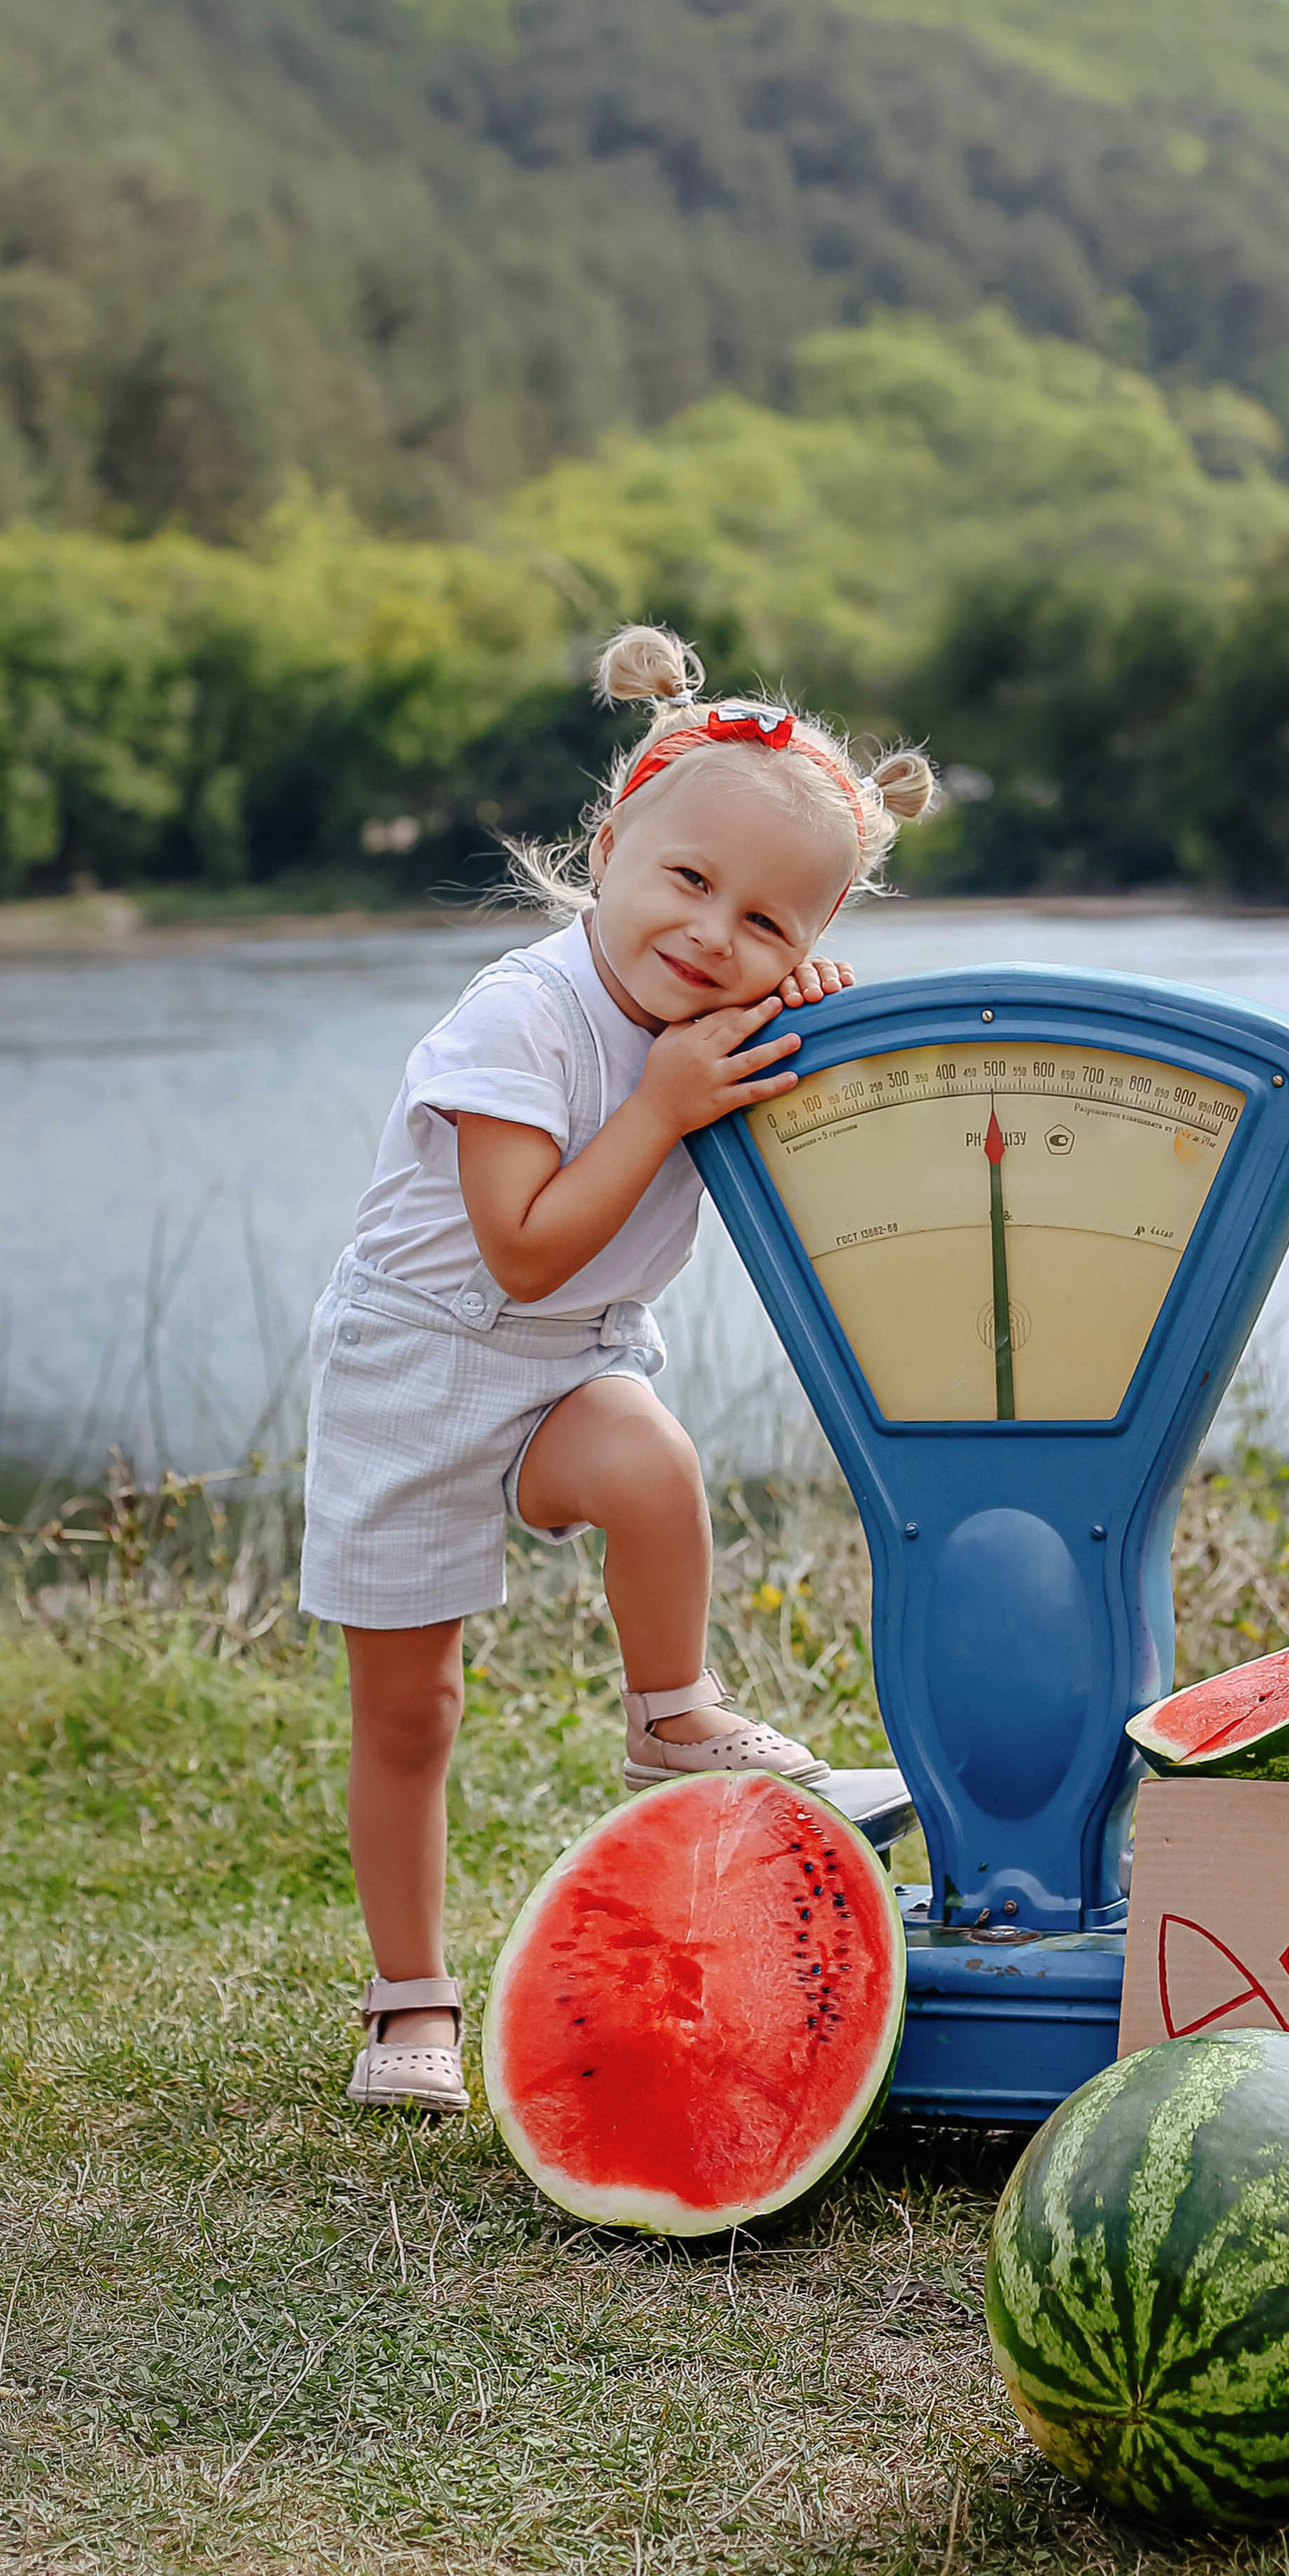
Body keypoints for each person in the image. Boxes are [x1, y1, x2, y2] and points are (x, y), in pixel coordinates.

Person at [302, 625, 936, 2113]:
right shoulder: (521, 1015)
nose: (719, 936)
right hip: (417, 1359)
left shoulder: (714, 1021)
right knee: (413, 1708)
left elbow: (798, 1163)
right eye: (692, 882)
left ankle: (672, 1709)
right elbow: (520, 1246)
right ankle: (411, 1999)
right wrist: (661, 1103)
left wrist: (811, 1030)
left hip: (570, 1364)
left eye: (774, 923)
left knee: (653, 1460)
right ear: (611, 848)